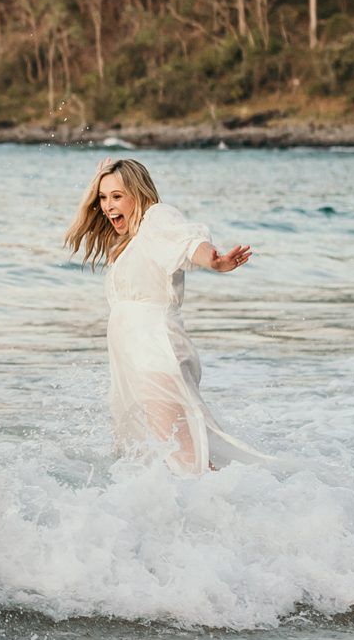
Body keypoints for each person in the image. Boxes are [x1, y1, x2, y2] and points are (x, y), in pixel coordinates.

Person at [65, 158, 269, 475]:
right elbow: (84, 220)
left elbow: (187, 240)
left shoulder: (155, 219)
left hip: (155, 353)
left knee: (185, 462)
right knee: (152, 462)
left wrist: (212, 261)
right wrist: (97, 182)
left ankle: (242, 516)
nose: (107, 206)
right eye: (103, 197)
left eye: (117, 196)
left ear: (138, 193)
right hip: (132, 362)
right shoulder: (126, 242)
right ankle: (185, 521)